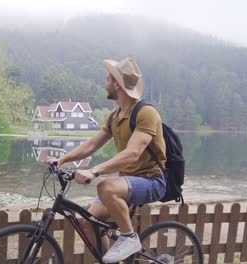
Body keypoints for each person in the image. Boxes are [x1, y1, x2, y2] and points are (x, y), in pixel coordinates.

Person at [49, 58, 167, 263]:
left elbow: (132, 153)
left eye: (107, 79)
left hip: (152, 181)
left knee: (105, 186)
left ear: (117, 85)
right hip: (128, 180)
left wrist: (94, 171)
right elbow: (92, 145)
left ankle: (129, 237)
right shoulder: (115, 116)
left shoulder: (146, 113)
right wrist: (61, 160)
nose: (105, 83)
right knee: (90, 220)